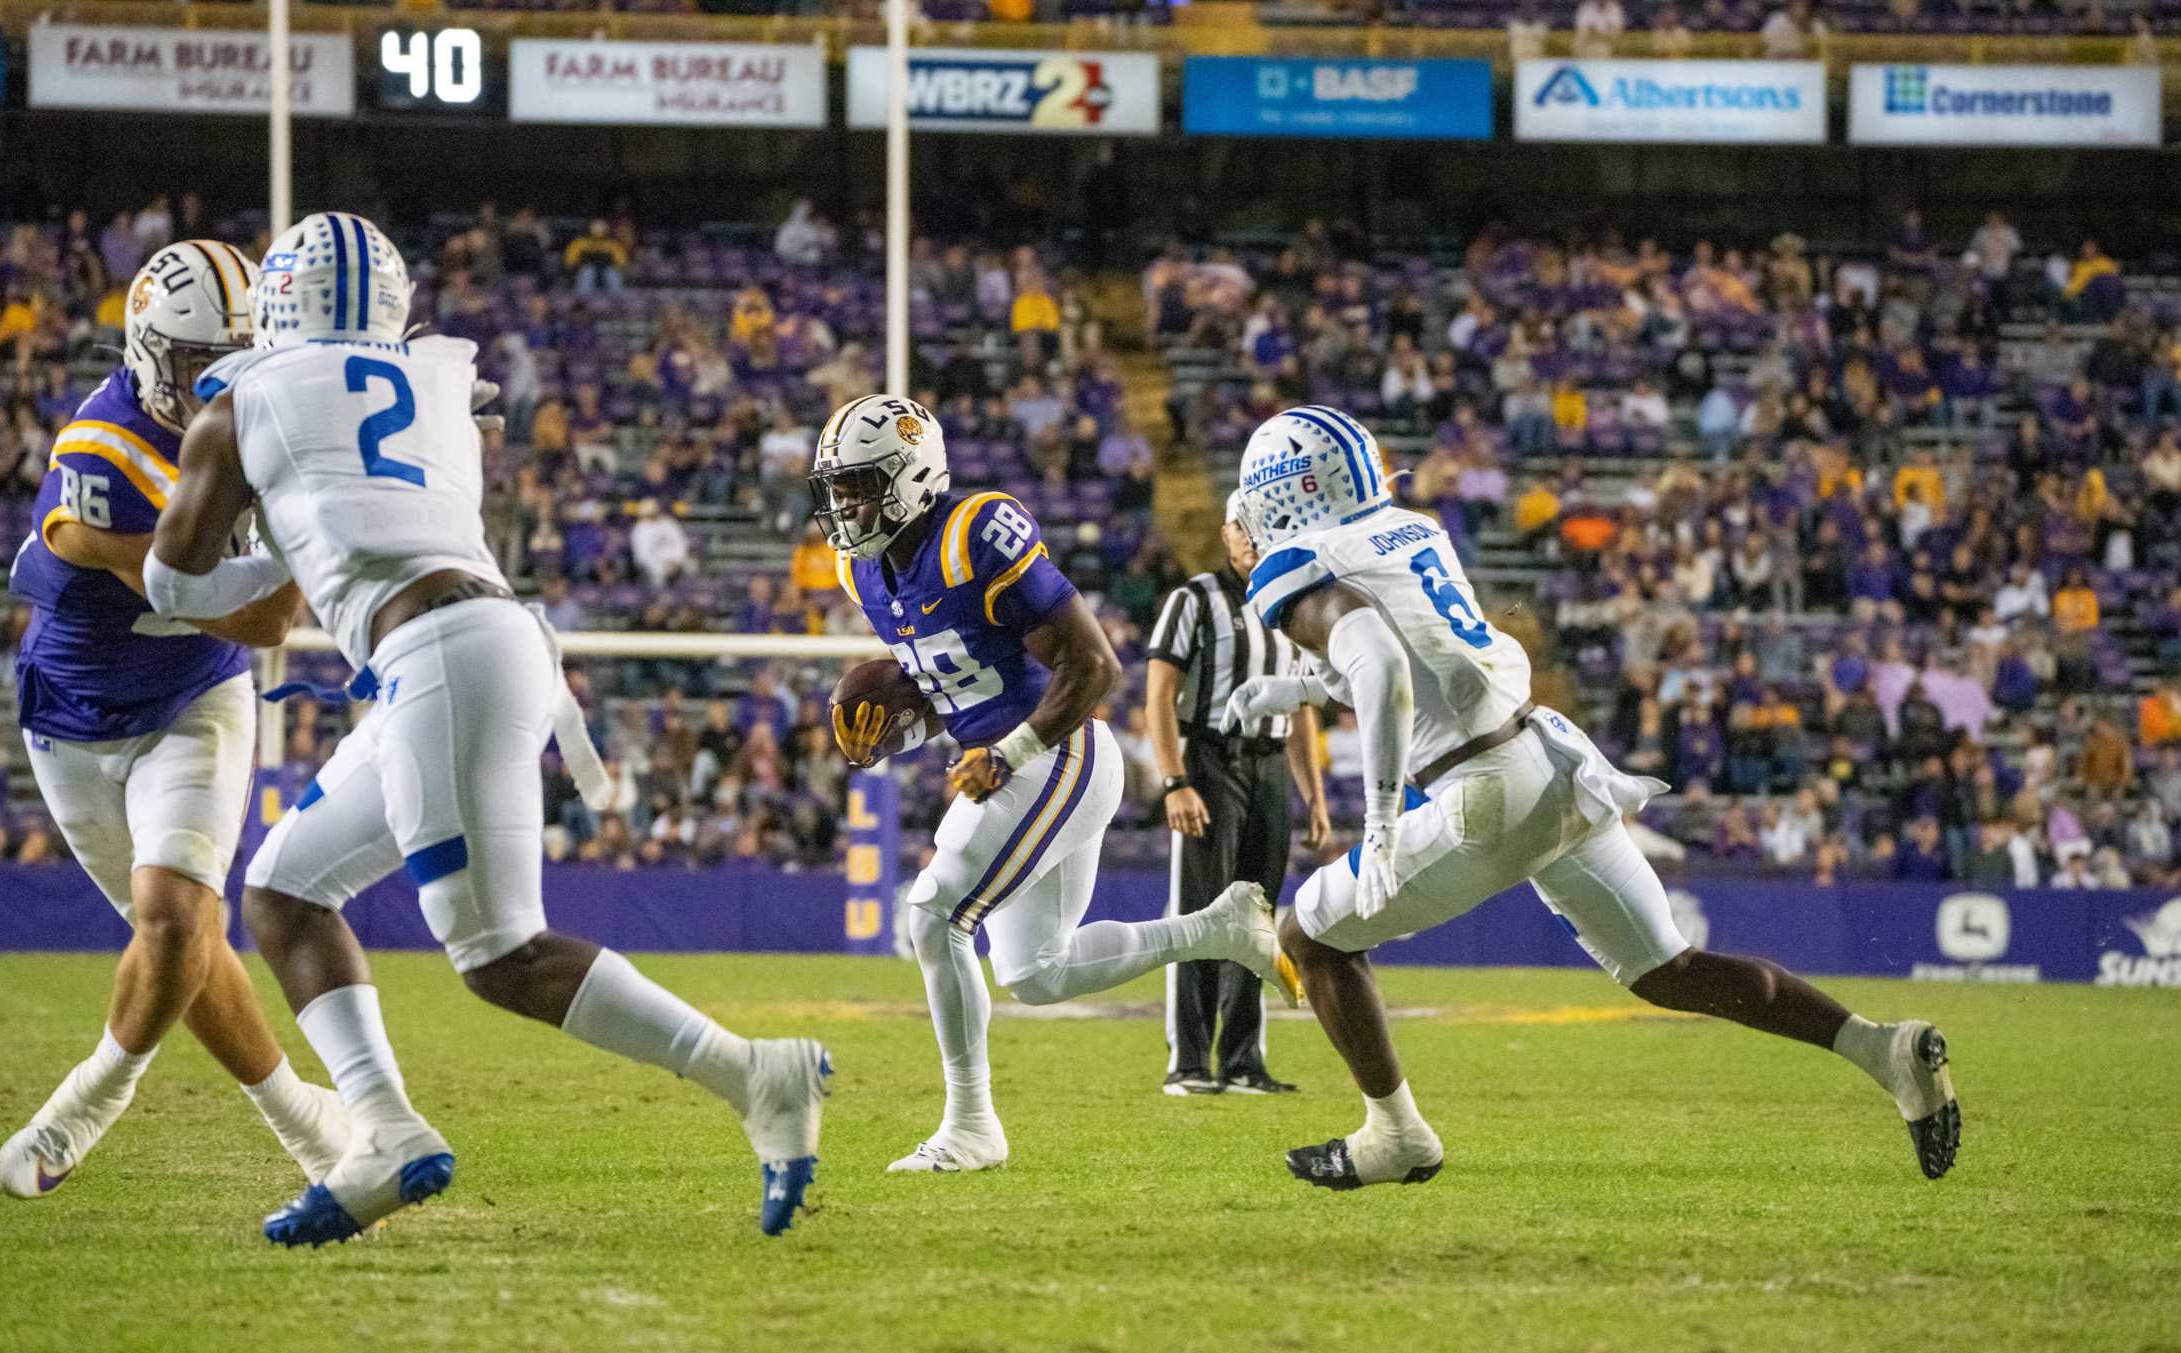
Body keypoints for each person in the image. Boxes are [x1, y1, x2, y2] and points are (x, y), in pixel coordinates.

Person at [141, 213, 830, 1245]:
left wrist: (276, 545)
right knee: (284, 891)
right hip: (468, 638)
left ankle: (753, 1074)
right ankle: (384, 1128)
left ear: (277, 298)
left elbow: (174, 578)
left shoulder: (240, 403)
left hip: (440, 655)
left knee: (498, 952)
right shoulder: (439, 380)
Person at [1220, 406, 1962, 1191]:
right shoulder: (1410, 528)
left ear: (1280, 492)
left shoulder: (1295, 560)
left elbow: (1382, 667)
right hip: (1552, 759)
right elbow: (1424, 654)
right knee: (1669, 969)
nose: (1237, 532)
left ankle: (1396, 1135)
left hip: (1485, 793)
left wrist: (1375, 821)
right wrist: (1297, 684)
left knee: (1312, 934)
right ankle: (1882, 1049)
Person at [813, 392, 1277, 1174]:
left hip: (1055, 752)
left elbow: (1094, 666)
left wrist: (1011, 751)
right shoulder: (863, 571)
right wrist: (904, 733)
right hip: (1012, 760)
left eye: (859, 484)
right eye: (838, 487)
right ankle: (1219, 927)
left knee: (932, 916)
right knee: (1037, 973)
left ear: (912, 474)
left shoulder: (974, 533)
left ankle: (971, 1126)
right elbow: (958, 684)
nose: (845, 504)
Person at [0, 242, 347, 1201]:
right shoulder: (101, 447)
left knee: (176, 912)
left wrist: (126, 558)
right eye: (204, 363)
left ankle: (85, 1102)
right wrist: (111, 552)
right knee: (179, 942)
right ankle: (307, 1119)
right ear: (152, 355)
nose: (227, 380)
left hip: (196, 697)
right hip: (70, 719)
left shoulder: (264, 424)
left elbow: (268, 623)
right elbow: (235, 594)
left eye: (242, 353)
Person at [1143, 500, 1332, 1098]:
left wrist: (1314, 796)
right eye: (1242, 528)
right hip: (1210, 758)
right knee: (1201, 914)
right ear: (1224, 533)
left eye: (1262, 527)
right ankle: (1190, 1062)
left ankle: (1245, 1059)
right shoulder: (1194, 599)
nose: (1252, 539)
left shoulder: (1289, 606)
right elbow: (1158, 696)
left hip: (1270, 765)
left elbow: (1299, 706)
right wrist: (1175, 781)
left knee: (1259, 921)